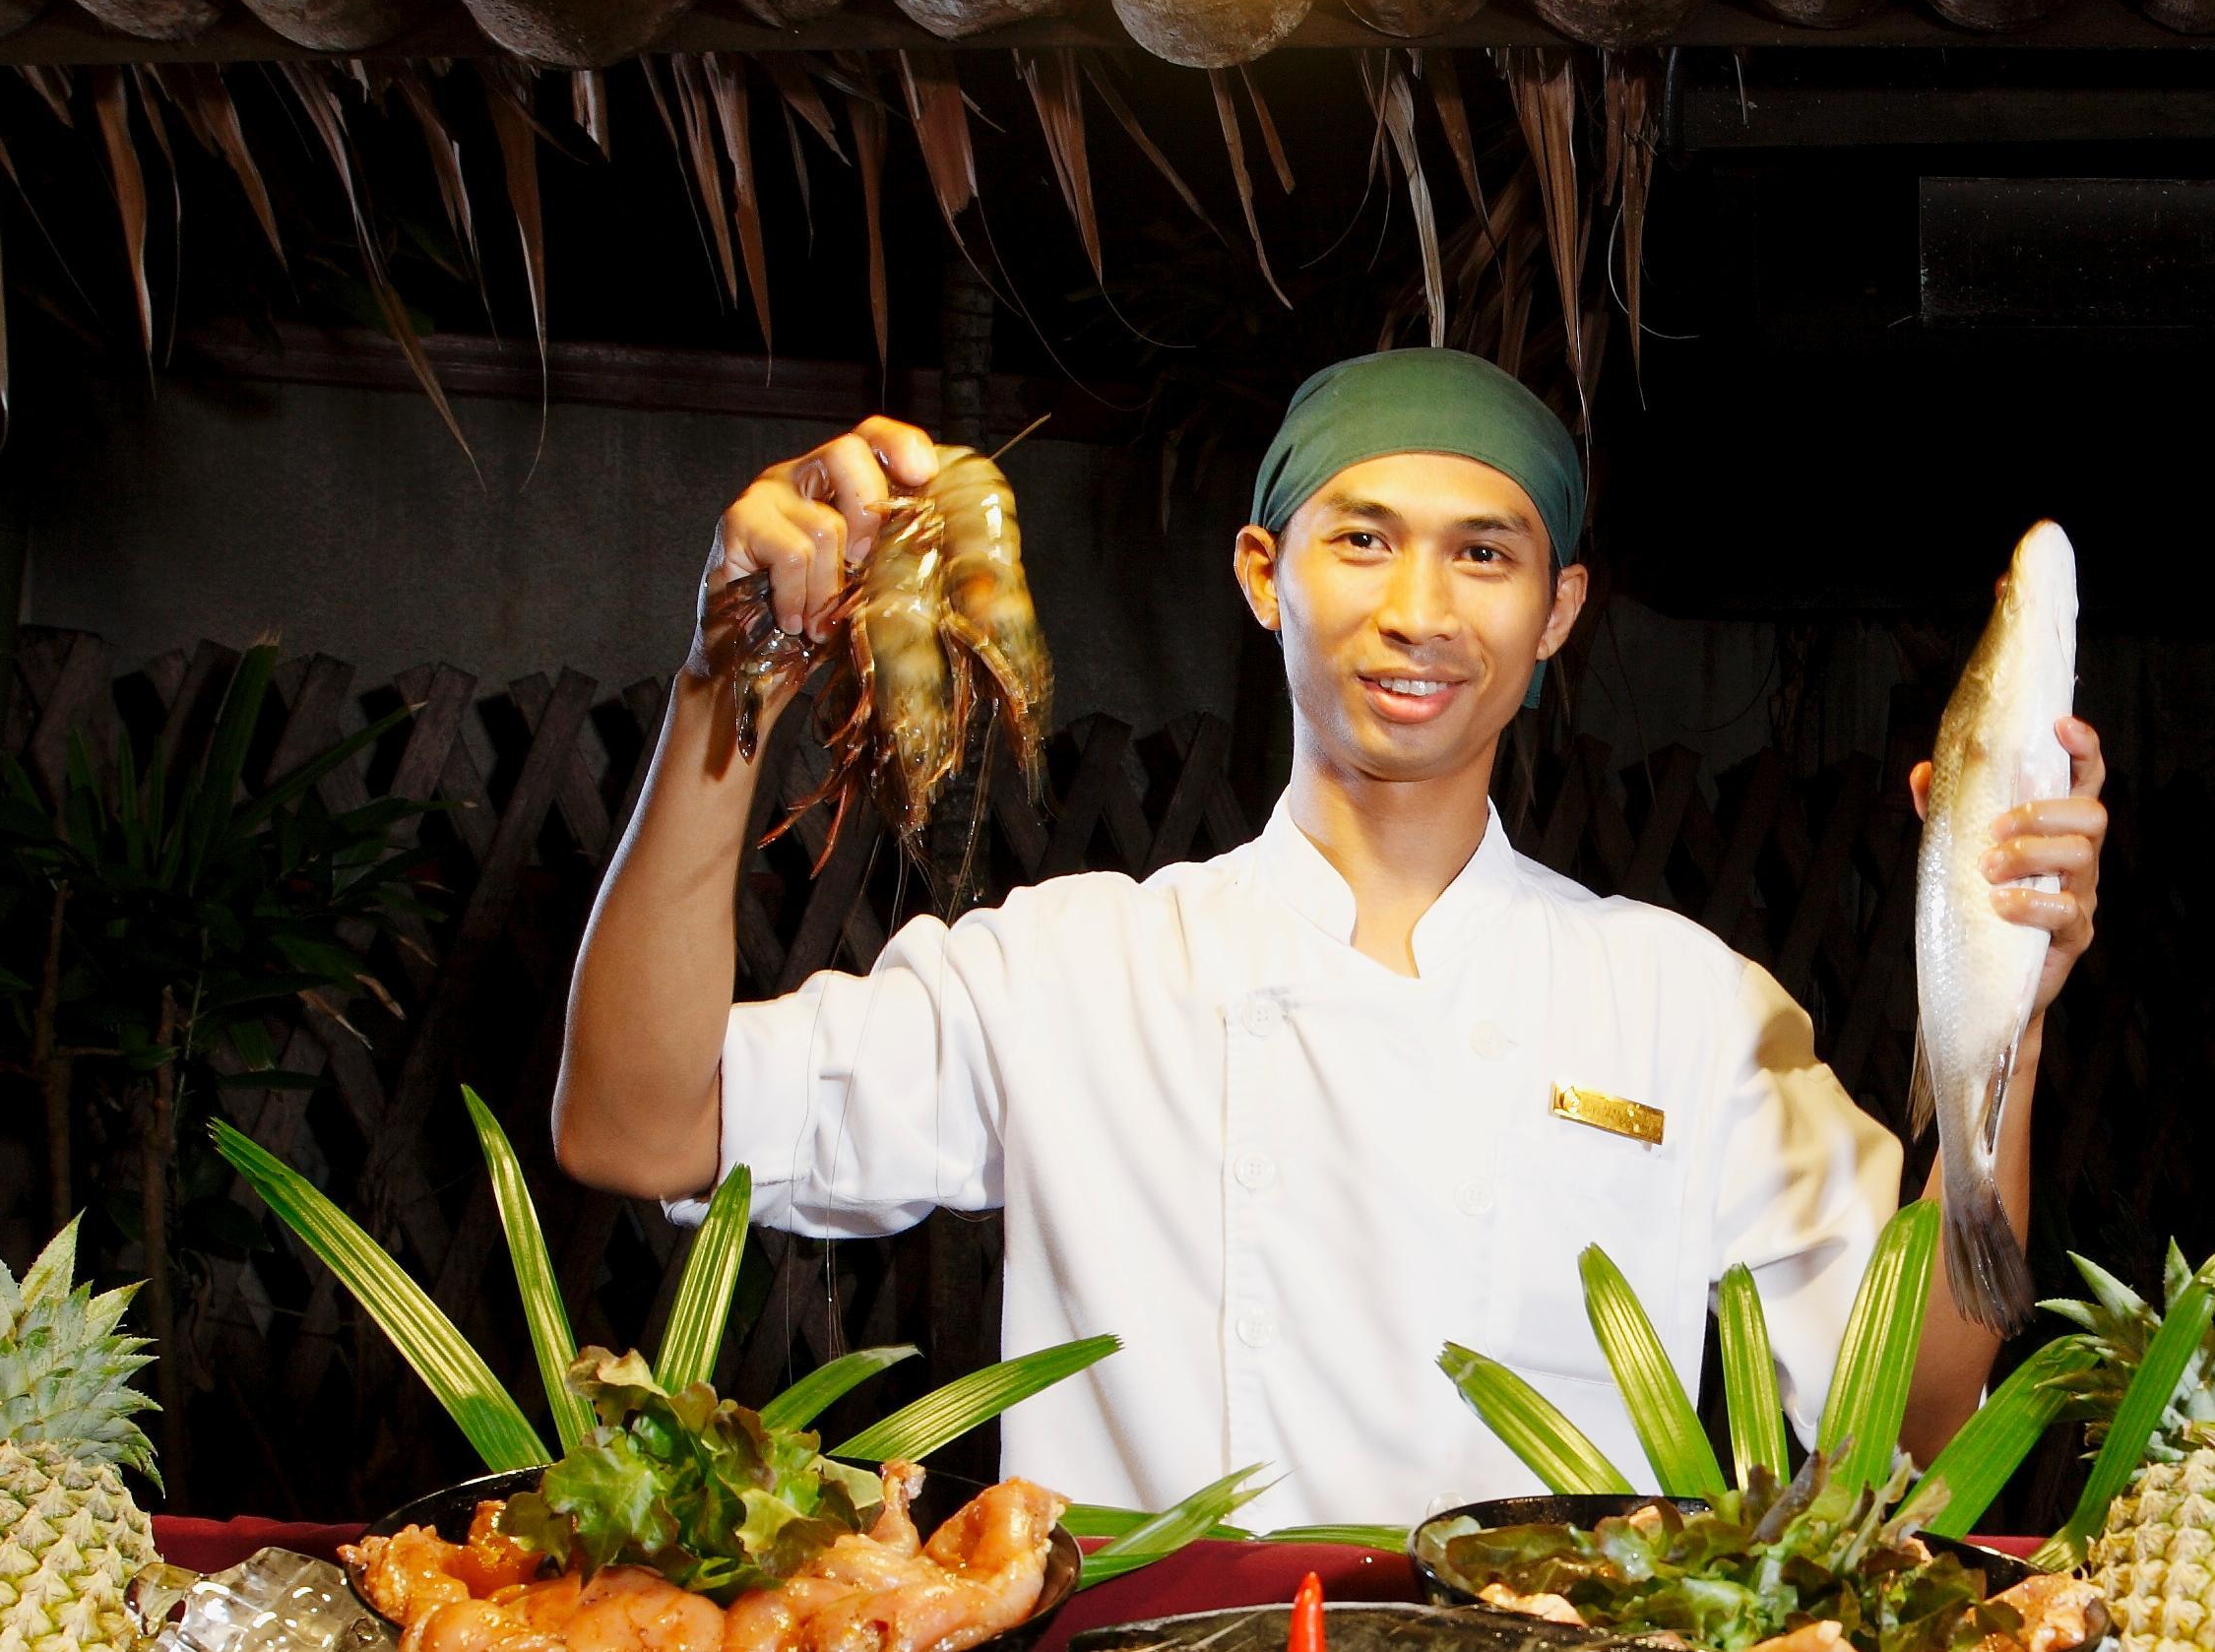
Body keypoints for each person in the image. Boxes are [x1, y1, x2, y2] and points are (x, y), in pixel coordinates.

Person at [553, 348, 2109, 1526]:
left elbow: (1918, 1417)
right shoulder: (1069, 973)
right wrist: (727, 685)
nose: (1420, 611)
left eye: (1482, 555)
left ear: (1556, 614)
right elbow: (636, 1123)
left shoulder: (1689, 1012)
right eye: (1360, 540)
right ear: (1263, 575)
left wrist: (2009, 1011)